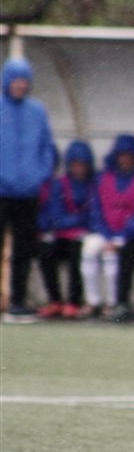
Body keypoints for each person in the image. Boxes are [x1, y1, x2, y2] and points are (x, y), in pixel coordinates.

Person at [0, 56, 58, 321]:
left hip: (28, 192)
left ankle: (18, 301)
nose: (20, 85)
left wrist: (40, 175)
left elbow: (47, 146)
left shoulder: (37, 111)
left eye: (24, 81)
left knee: (24, 249)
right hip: (1, 191)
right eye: (16, 80)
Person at [86, 134, 134, 323]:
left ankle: (115, 303)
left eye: (129, 155)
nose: (125, 159)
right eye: (121, 155)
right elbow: (95, 210)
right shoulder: (102, 178)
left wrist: (123, 236)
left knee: (115, 256)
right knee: (88, 251)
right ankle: (93, 302)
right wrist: (107, 234)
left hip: (128, 234)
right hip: (104, 231)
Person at [36, 141, 94, 319]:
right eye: (75, 165)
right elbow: (56, 215)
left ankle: (74, 301)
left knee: (77, 254)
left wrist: (80, 224)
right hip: (64, 232)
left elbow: (94, 212)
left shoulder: (94, 184)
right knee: (46, 253)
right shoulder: (60, 184)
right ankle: (55, 300)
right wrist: (74, 222)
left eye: (82, 165)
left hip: (85, 233)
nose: (78, 169)